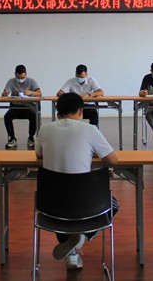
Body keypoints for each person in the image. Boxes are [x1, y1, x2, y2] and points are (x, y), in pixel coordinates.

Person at [35, 93, 119, 270]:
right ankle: (82, 237)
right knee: (113, 205)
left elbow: (39, 154)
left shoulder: (45, 129)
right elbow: (113, 160)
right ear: (81, 111)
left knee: (60, 204)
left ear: (57, 113)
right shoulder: (90, 130)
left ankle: (71, 253)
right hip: (84, 203)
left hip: (49, 204)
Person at [2, 64, 42, 150]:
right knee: (7, 117)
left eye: (22, 78)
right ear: (15, 74)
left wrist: (31, 92)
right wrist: (4, 94)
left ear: (26, 74)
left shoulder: (31, 81)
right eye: (18, 78)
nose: (20, 80)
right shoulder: (11, 81)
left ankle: (31, 138)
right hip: (16, 107)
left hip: (28, 107)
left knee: (34, 116)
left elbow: (39, 93)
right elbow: (4, 94)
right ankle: (12, 138)